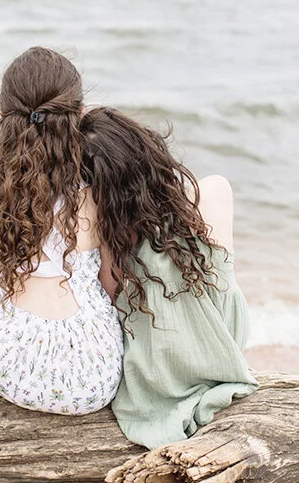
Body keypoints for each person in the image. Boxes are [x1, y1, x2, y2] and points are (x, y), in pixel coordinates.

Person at [0, 48, 123, 415]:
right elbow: (111, 288)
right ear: (80, 116)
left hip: (12, 364)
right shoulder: (96, 195)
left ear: (2, 115)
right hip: (94, 376)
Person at [79, 106, 258, 449]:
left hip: (157, 370)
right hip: (226, 338)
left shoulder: (108, 235)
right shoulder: (212, 192)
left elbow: (111, 305)